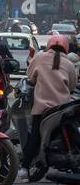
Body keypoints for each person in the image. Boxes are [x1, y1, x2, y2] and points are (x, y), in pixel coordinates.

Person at [23, 34, 78, 175]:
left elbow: (30, 77)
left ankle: (24, 168)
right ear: (66, 48)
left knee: (34, 137)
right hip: (63, 108)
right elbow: (72, 86)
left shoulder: (39, 58)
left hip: (42, 109)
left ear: (49, 45)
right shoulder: (69, 64)